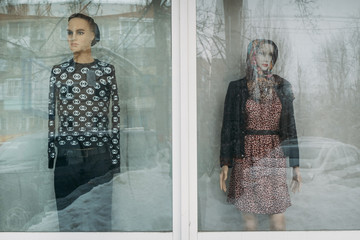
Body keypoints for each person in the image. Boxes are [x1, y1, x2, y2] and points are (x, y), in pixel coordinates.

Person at [48, 13, 120, 231]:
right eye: (69, 32)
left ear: (93, 37)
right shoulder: (59, 72)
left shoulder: (106, 71)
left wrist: (116, 159)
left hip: (99, 156)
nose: (73, 38)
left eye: (80, 32)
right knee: (68, 219)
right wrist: (52, 155)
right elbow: (52, 115)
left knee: (100, 218)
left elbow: (114, 115)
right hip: (67, 157)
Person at [219, 39, 301, 231]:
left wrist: (295, 165)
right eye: (262, 53)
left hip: (274, 155)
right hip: (246, 156)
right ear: (252, 56)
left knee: (278, 221)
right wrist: (225, 163)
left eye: (270, 54)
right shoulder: (237, 88)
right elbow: (228, 127)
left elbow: (290, 127)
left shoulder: (282, 86)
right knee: (249, 223)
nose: (267, 58)